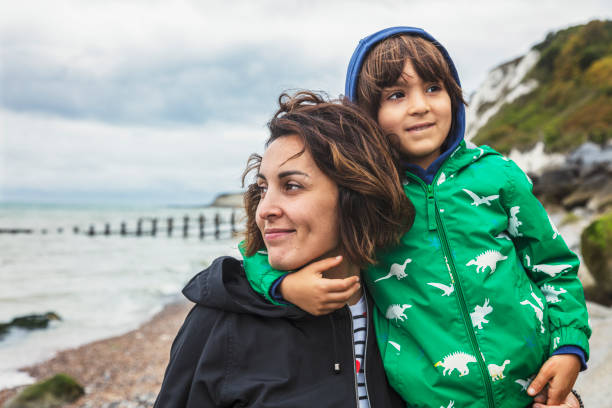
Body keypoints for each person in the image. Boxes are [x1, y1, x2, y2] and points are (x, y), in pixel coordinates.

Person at [241, 27, 590, 408]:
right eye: (396, 95)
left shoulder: (498, 175)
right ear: (367, 112)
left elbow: (554, 266)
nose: (420, 105)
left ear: (454, 95)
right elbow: (257, 251)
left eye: (433, 88)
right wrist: (286, 287)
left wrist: (569, 348)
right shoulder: (367, 194)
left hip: (534, 391)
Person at [153, 91, 415, 407]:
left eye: (291, 186)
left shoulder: (401, 310)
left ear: (356, 195)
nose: (264, 210)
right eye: (263, 189)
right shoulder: (219, 323)